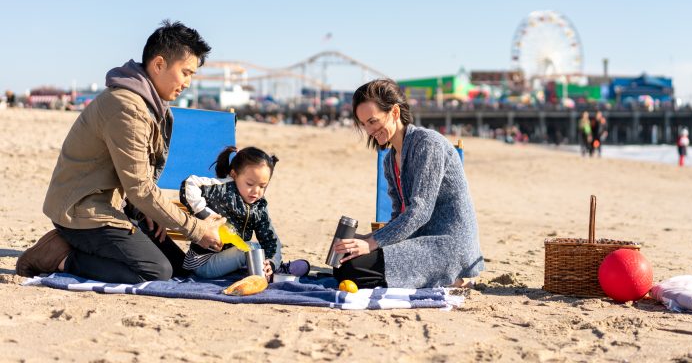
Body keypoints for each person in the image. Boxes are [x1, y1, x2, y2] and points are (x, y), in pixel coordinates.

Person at [16, 21, 225, 283]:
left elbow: (137, 181)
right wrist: (197, 229)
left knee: (180, 267)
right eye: (185, 72)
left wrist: (150, 211)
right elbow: (139, 186)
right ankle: (59, 255)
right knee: (155, 272)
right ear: (159, 64)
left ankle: (80, 245)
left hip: (113, 206)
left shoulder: (151, 105)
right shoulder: (127, 107)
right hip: (82, 210)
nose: (188, 83)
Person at [332, 79, 484, 289]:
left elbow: (420, 211)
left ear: (395, 112)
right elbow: (399, 215)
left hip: (447, 245)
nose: (369, 131)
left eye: (373, 121)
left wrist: (371, 243)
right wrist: (368, 238)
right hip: (422, 241)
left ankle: (451, 277)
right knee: (343, 260)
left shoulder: (427, 144)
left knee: (351, 269)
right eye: (364, 124)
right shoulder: (389, 159)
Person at [179, 145, 309, 280]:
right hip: (202, 263)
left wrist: (271, 262)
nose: (256, 191)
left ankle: (272, 269)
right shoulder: (221, 189)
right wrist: (205, 213)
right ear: (234, 175)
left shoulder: (258, 206)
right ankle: (272, 276)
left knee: (262, 249)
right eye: (250, 184)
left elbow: (270, 240)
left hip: (232, 260)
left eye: (262, 186)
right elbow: (189, 183)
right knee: (252, 248)